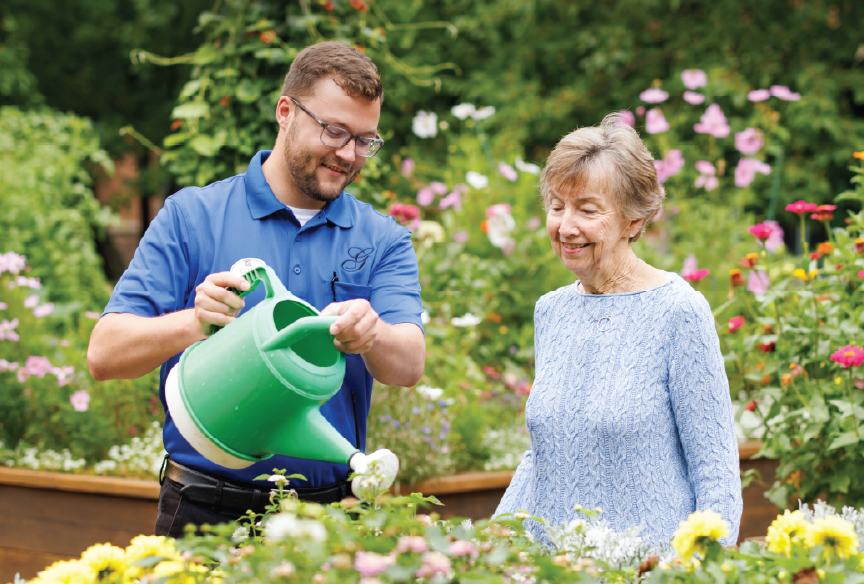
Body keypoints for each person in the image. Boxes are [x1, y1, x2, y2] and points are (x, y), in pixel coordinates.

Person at [87, 41, 425, 537]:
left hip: (332, 521)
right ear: (285, 112)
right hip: (202, 511)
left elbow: (409, 364)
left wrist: (372, 334)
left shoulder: (383, 239)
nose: (348, 155)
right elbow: (104, 353)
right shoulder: (191, 216)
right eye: (334, 131)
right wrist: (193, 322)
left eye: (364, 140)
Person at [494, 113, 742, 546]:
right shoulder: (551, 311)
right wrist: (491, 544)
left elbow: (716, 471)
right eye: (557, 206)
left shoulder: (679, 311)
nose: (566, 227)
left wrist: (703, 571)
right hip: (552, 571)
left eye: (587, 210)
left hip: (649, 570)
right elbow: (545, 457)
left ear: (634, 220)